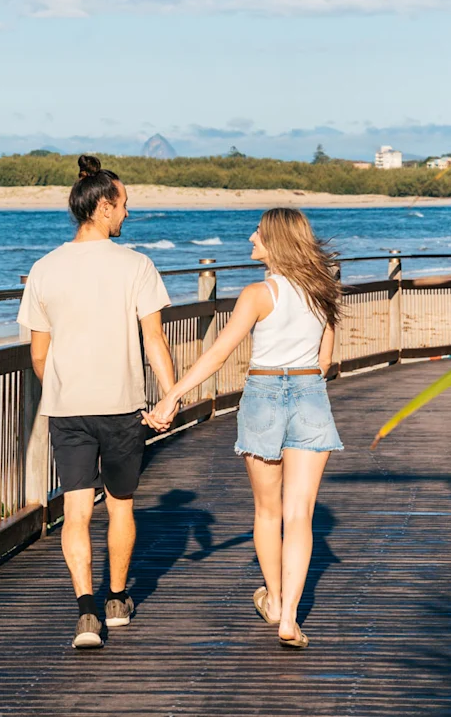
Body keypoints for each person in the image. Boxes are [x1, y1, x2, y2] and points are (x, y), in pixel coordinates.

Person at [146, 207, 342, 649]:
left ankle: (273, 601)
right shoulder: (323, 292)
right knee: (300, 515)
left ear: (275, 241)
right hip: (310, 394)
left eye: (258, 232)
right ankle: (289, 617)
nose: (251, 237)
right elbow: (325, 360)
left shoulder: (258, 293)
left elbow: (217, 354)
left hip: (265, 396)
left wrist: (173, 395)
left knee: (268, 512)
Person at [18, 155, 176, 650]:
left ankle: (86, 613)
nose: (127, 213)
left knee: (77, 508)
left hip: (68, 407)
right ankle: (116, 600)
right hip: (122, 404)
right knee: (122, 506)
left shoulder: (44, 269)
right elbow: (154, 341)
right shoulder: (137, 266)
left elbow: (39, 354)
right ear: (104, 207)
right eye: (124, 205)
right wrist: (169, 396)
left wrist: (66, 383)